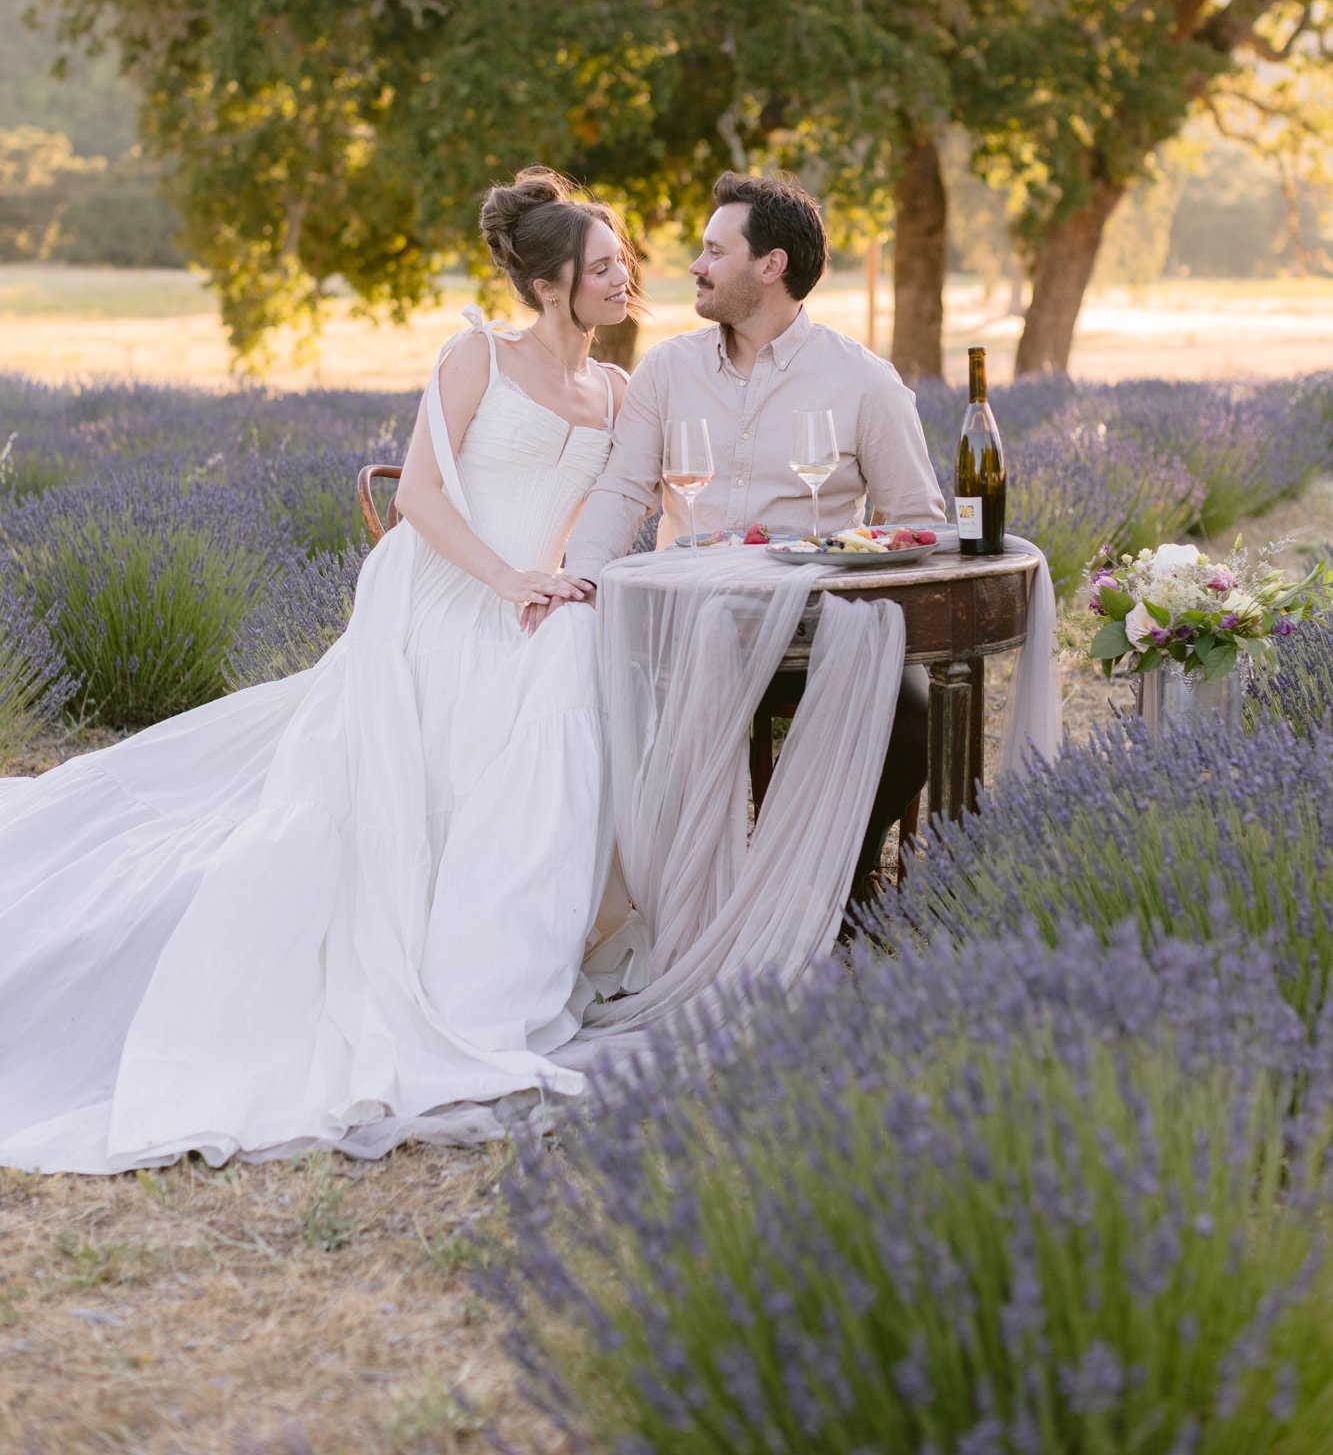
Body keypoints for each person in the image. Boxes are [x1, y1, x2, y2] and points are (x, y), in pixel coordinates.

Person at [0, 169, 638, 1173]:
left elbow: (627, 507)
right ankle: (465, 972)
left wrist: (576, 575)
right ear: (553, 284)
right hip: (444, 587)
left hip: (538, 597)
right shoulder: (477, 353)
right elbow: (423, 494)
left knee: (568, 663)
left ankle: (506, 959)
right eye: (603, 265)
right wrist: (506, 577)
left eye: (624, 261)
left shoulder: (619, 388)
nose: (624, 277)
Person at [555, 170, 946, 900]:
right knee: (579, 685)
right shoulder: (667, 371)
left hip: (814, 628)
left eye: (713, 251)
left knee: (914, 714)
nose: (695, 267)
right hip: (689, 628)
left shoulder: (863, 381)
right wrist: (582, 578)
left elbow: (915, 522)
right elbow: (620, 492)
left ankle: (824, 884)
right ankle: (662, 895)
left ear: (771, 266)